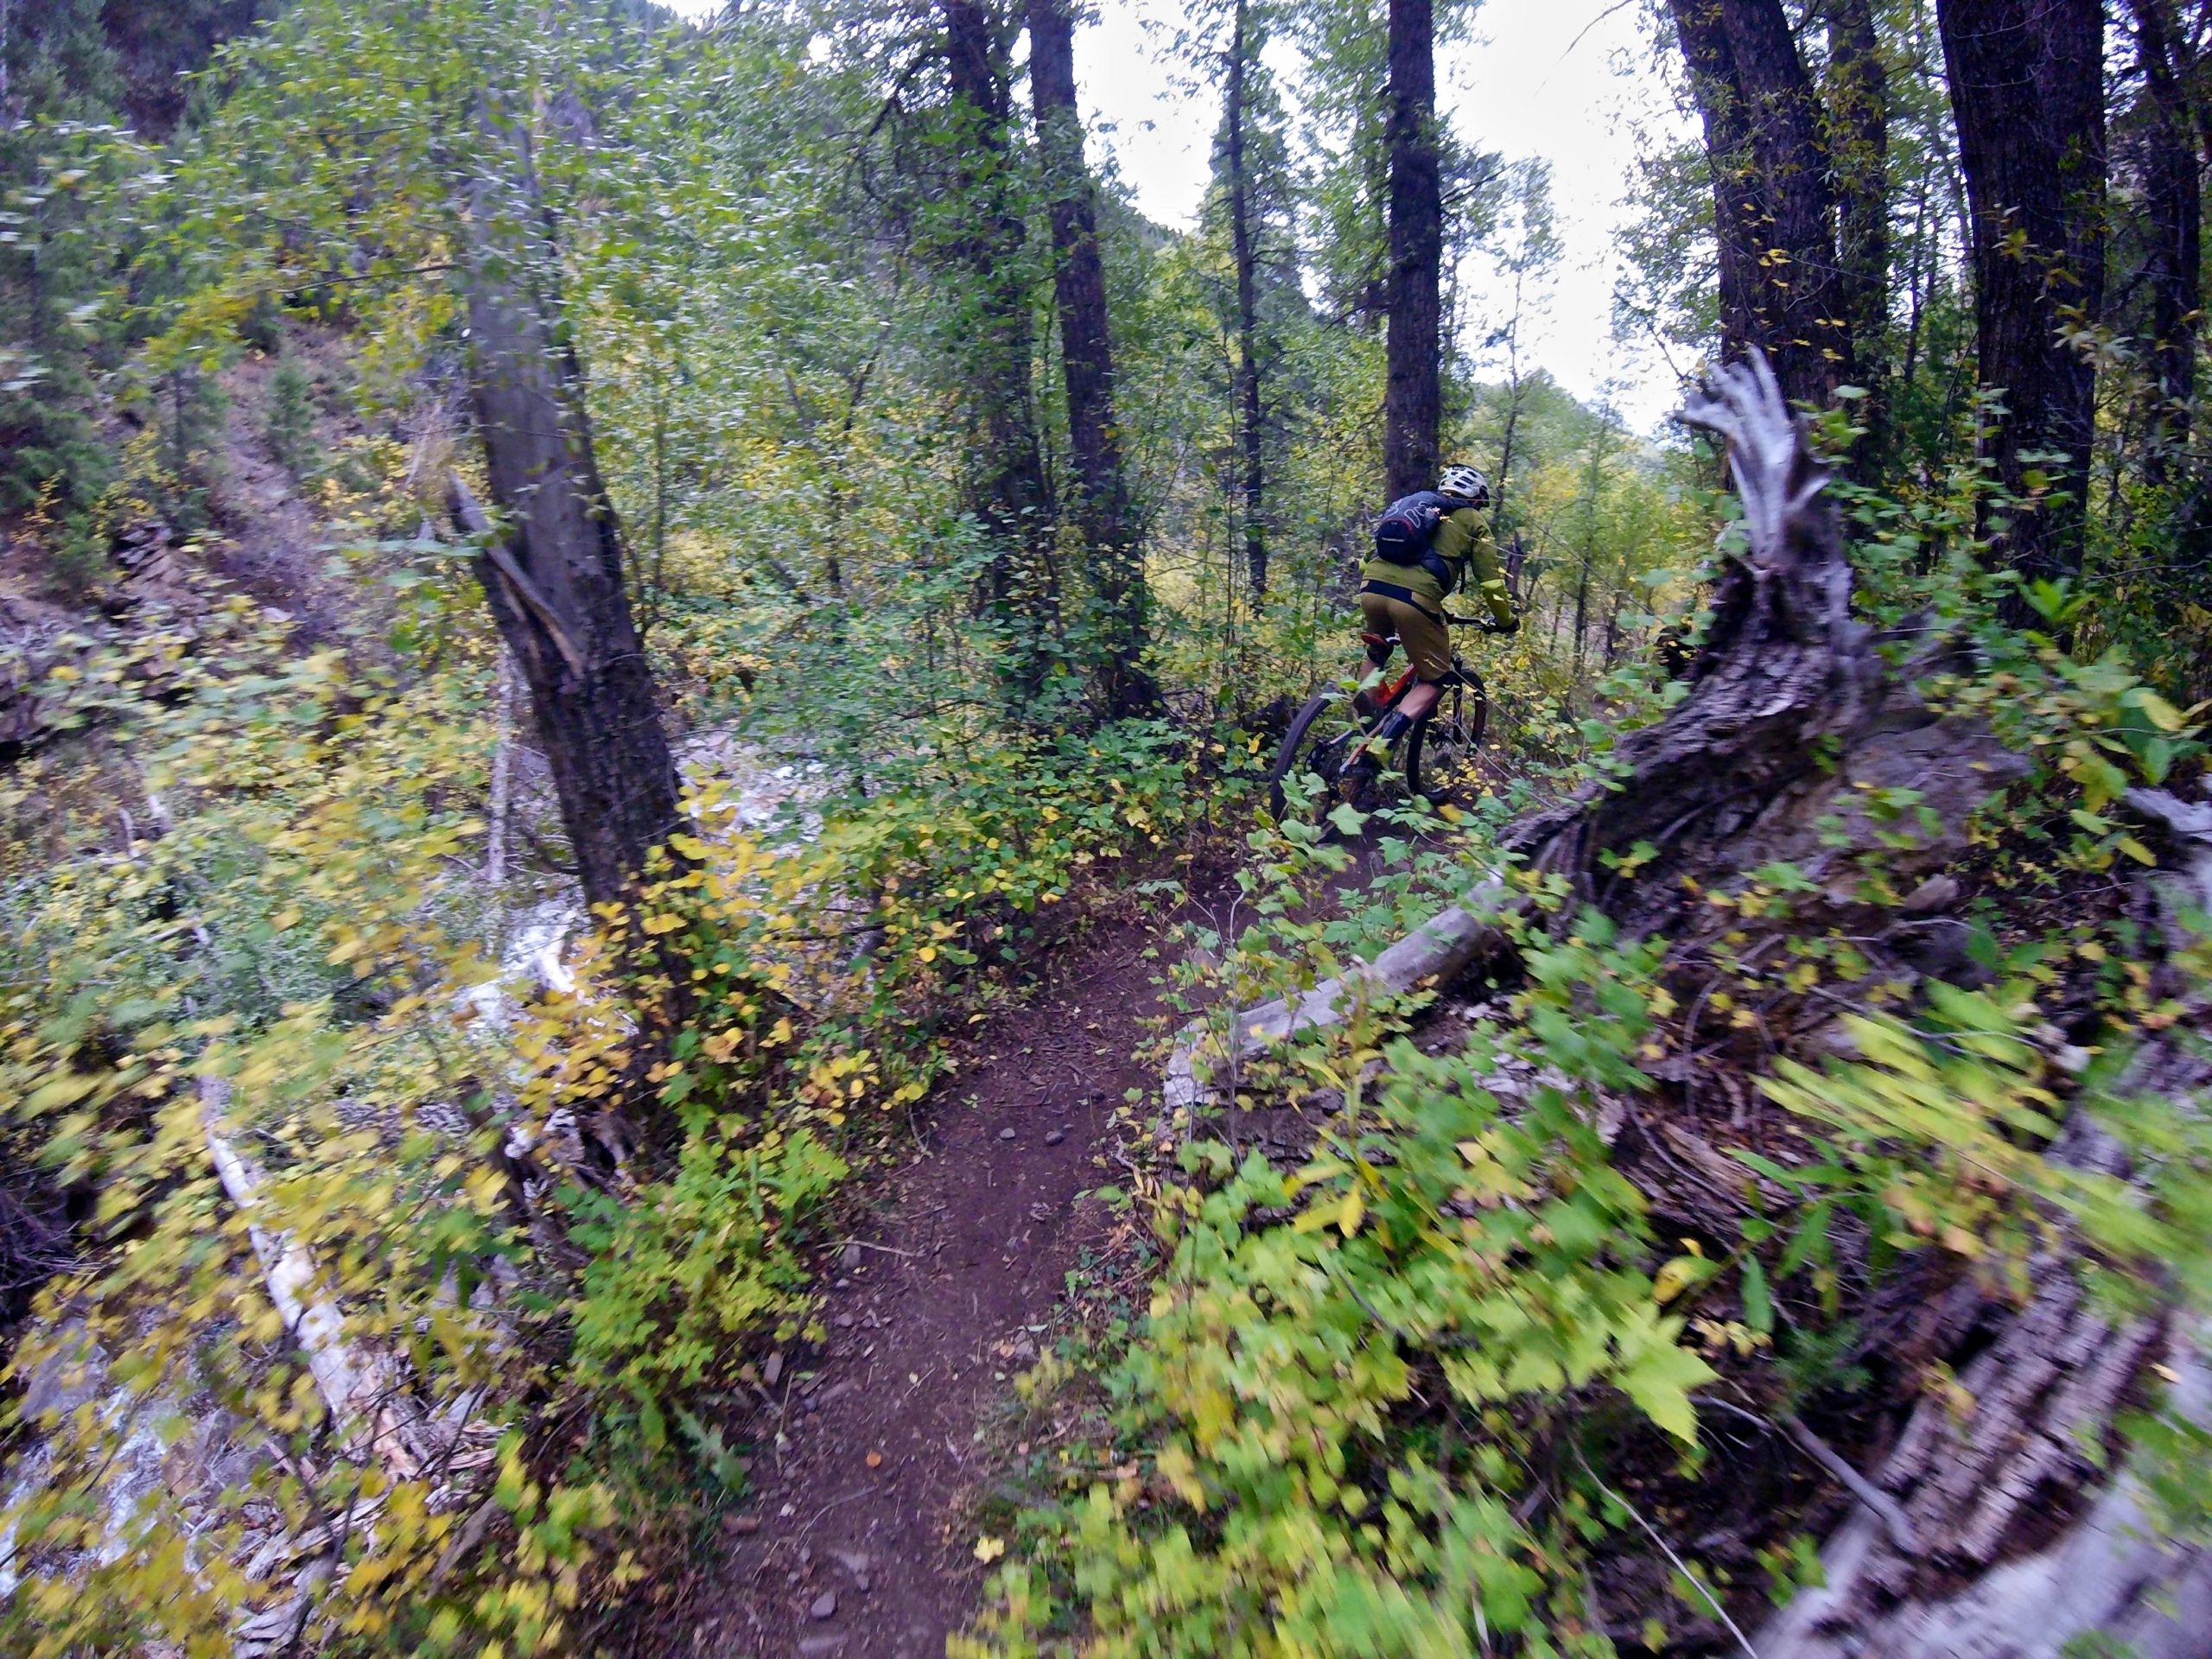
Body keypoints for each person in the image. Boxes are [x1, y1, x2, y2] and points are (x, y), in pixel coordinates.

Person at [1344, 463, 1516, 784]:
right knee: (1435, 680)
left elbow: (1367, 559)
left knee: (1376, 654)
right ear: (1476, 499)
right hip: (1415, 601)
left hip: (1370, 589)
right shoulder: (1474, 522)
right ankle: (1379, 749)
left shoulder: (1415, 505)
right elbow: (1491, 584)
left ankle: (1368, 721)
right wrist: (1506, 621)